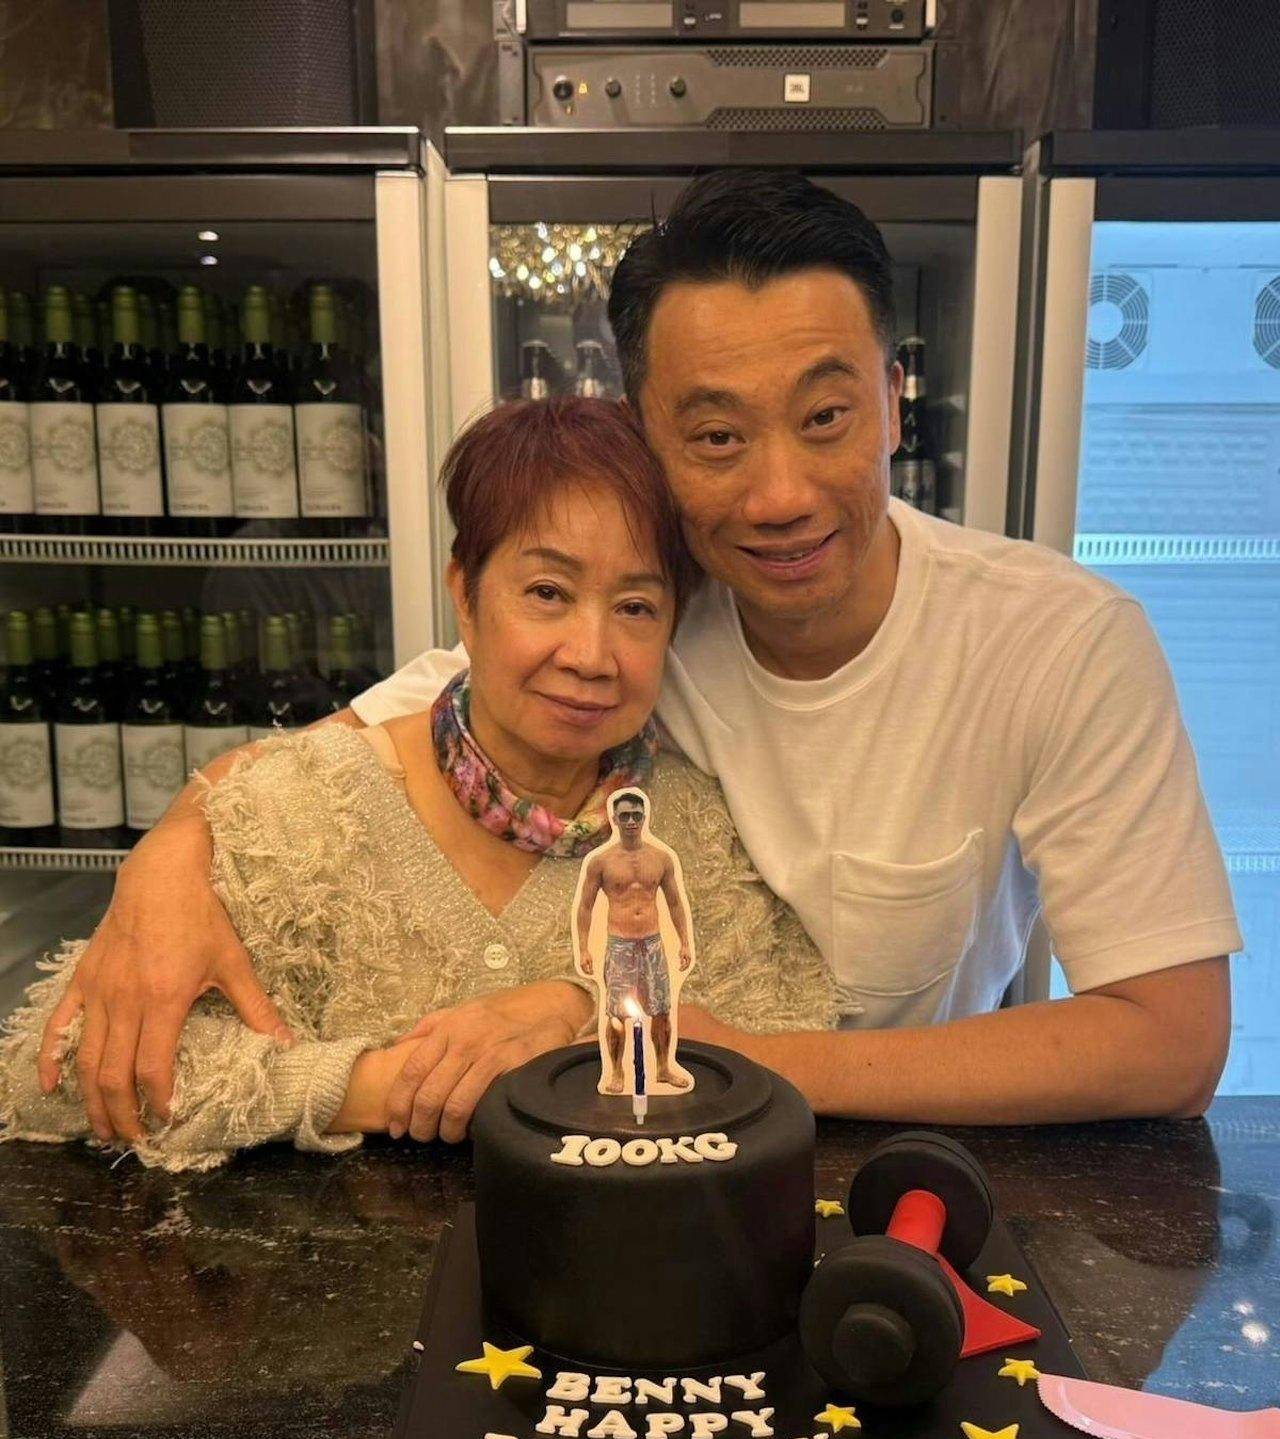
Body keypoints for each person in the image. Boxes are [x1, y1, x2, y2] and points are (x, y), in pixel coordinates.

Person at [41, 169, 1241, 1138]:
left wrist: (732, 1054)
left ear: (890, 401)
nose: (778, 494)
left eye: (824, 418)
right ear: (646, 436)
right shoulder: (640, 615)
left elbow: (1169, 1041)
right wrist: (168, 861)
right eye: (715, 435)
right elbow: (333, 759)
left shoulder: (1056, 642)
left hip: (890, 1168)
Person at [0, 398, 837, 1169]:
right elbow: (56, 1070)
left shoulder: (694, 830)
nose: (590, 654)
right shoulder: (302, 811)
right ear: (465, 595)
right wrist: (379, 1086)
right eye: (547, 592)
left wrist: (580, 1013)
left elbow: (783, 1041)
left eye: (636, 608)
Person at [575, 788, 693, 1092]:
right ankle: (616, 1072)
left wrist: (684, 942)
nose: (631, 821)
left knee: (661, 1010)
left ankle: (664, 1067)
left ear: (644, 817)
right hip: (620, 945)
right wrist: (584, 948)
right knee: (617, 1013)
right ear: (614, 819)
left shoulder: (661, 858)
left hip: (652, 944)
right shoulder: (601, 861)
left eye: (636, 815)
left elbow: (675, 903)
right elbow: (585, 906)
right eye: (625, 815)